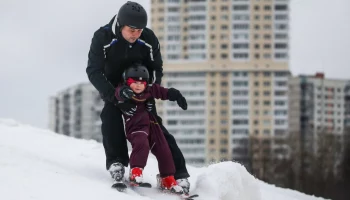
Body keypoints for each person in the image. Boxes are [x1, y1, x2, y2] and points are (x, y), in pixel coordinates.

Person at [86, 1, 190, 193]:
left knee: (155, 127)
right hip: (113, 88)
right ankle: (117, 163)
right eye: (131, 30)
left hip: (141, 88)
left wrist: (150, 94)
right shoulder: (103, 37)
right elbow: (93, 71)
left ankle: (177, 173)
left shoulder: (148, 39)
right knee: (110, 118)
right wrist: (114, 97)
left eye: (139, 30)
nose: (136, 34)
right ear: (120, 25)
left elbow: (157, 68)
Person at [115, 64, 187, 194]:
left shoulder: (149, 90)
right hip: (136, 126)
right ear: (127, 82)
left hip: (153, 125)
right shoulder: (126, 91)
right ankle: (136, 171)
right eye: (134, 82)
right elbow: (118, 93)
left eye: (142, 83)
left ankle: (167, 178)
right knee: (142, 144)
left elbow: (163, 91)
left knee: (164, 149)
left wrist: (176, 95)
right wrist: (123, 93)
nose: (138, 86)